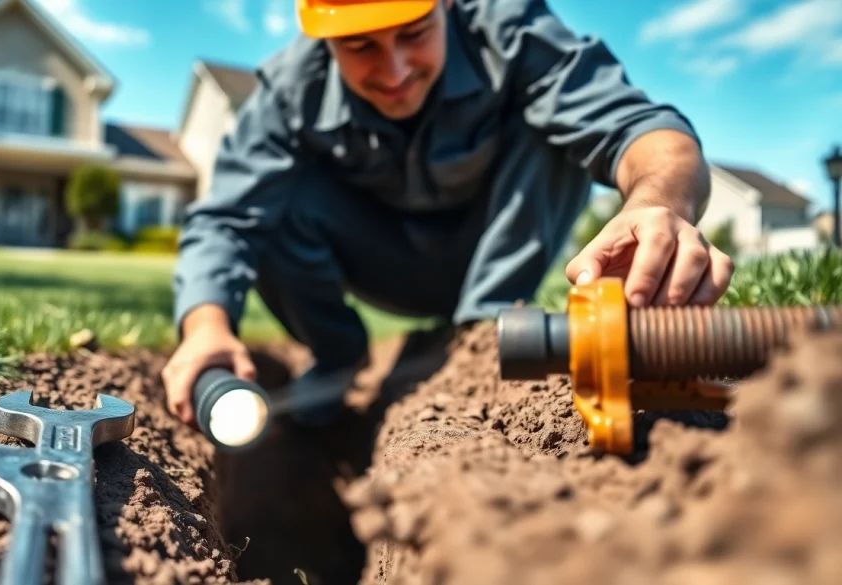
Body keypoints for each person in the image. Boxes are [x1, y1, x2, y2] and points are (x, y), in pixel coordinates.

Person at [161, 0, 735, 427]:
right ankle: (338, 360)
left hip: (495, 254)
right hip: (379, 264)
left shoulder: (506, 28)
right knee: (271, 198)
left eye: (414, 33)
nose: (394, 71)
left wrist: (658, 205)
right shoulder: (291, 87)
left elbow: (644, 132)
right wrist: (205, 325)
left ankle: (481, 340)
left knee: (553, 132)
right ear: (322, 38)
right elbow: (226, 220)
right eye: (360, 46)